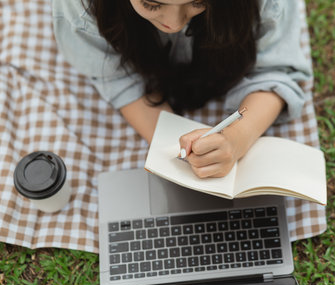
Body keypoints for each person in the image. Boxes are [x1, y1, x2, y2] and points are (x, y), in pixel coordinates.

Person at [52, 0, 313, 179]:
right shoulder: (80, 7)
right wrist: (171, 144)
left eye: (198, 1)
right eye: (152, 4)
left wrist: (237, 138)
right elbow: (115, 77)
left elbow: (276, 70)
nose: (174, 24)